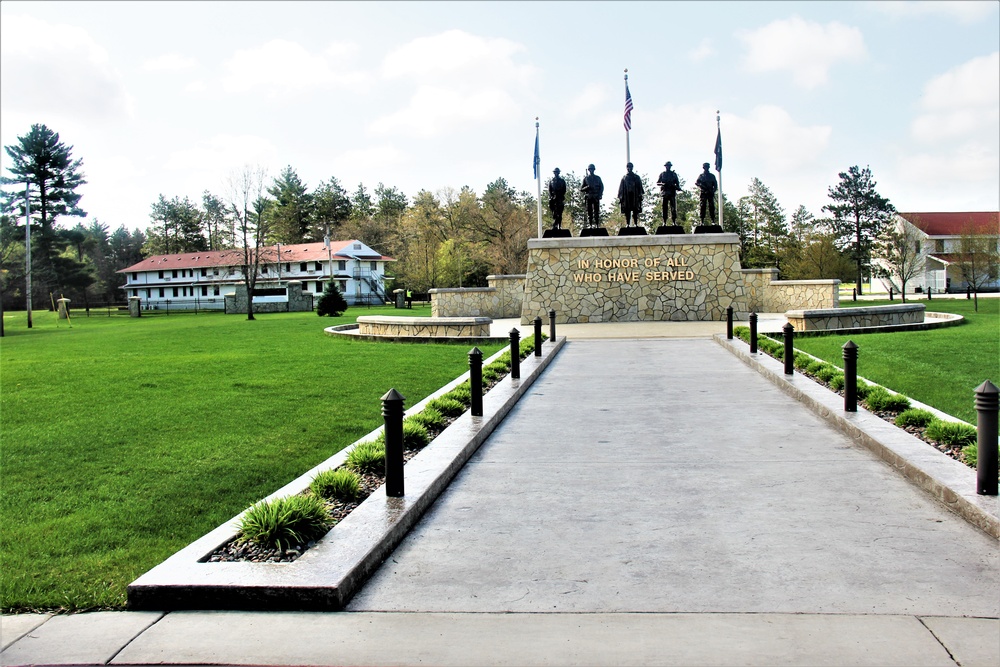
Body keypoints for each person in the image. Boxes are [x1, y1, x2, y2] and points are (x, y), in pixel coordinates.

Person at [617, 162, 644, 227]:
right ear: (627, 168)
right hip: (627, 196)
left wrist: (640, 195)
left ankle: (635, 223)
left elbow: (640, 187)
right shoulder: (624, 178)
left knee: (635, 210)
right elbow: (621, 188)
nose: (629, 168)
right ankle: (628, 223)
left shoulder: (636, 177)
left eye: (630, 167)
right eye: (628, 167)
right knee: (627, 210)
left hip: (635, 195)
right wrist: (621, 197)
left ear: (632, 168)